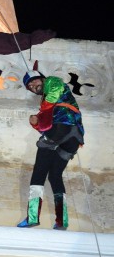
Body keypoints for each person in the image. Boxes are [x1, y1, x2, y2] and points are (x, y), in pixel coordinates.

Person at [17, 62, 84, 230]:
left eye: (34, 82)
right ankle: (62, 221)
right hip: (73, 137)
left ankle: (32, 217)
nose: (33, 86)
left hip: (63, 128)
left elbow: (52, 99)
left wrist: (40, 114)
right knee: (54, 175)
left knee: (39, 172)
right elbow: (45, 125)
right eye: (30, 86)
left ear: (42, 78)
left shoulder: (53, 81)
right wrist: (36, 122)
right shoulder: (45, 100)